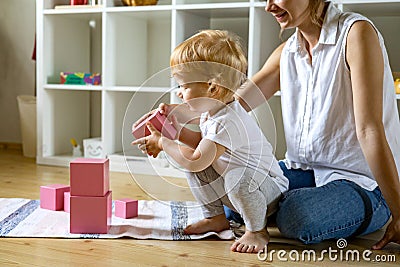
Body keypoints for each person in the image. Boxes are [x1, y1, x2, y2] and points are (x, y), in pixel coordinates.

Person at [230, 0, 400, 249]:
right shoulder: (286, 52)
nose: (269, 7)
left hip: (362, 183)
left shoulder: (356, 33)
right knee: (233, 189)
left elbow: (369, 130)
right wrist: (174, 120)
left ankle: (278, 207)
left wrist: (399, 212)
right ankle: (279, 204)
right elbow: (232, 106)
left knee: (296, 217)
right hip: (302, 171)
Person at [132, 29, 289, 253]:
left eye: (184, 87)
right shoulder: (214, 111)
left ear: (212, 88)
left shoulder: (229, 120)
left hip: (267, 192)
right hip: (241, 188)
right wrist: (174, 133)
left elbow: (197, 159)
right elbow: (202, 145)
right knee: (197, 166)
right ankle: (216, 219)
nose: (178, 93)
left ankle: (257, 231)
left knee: (221, 172)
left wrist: (163, 144)